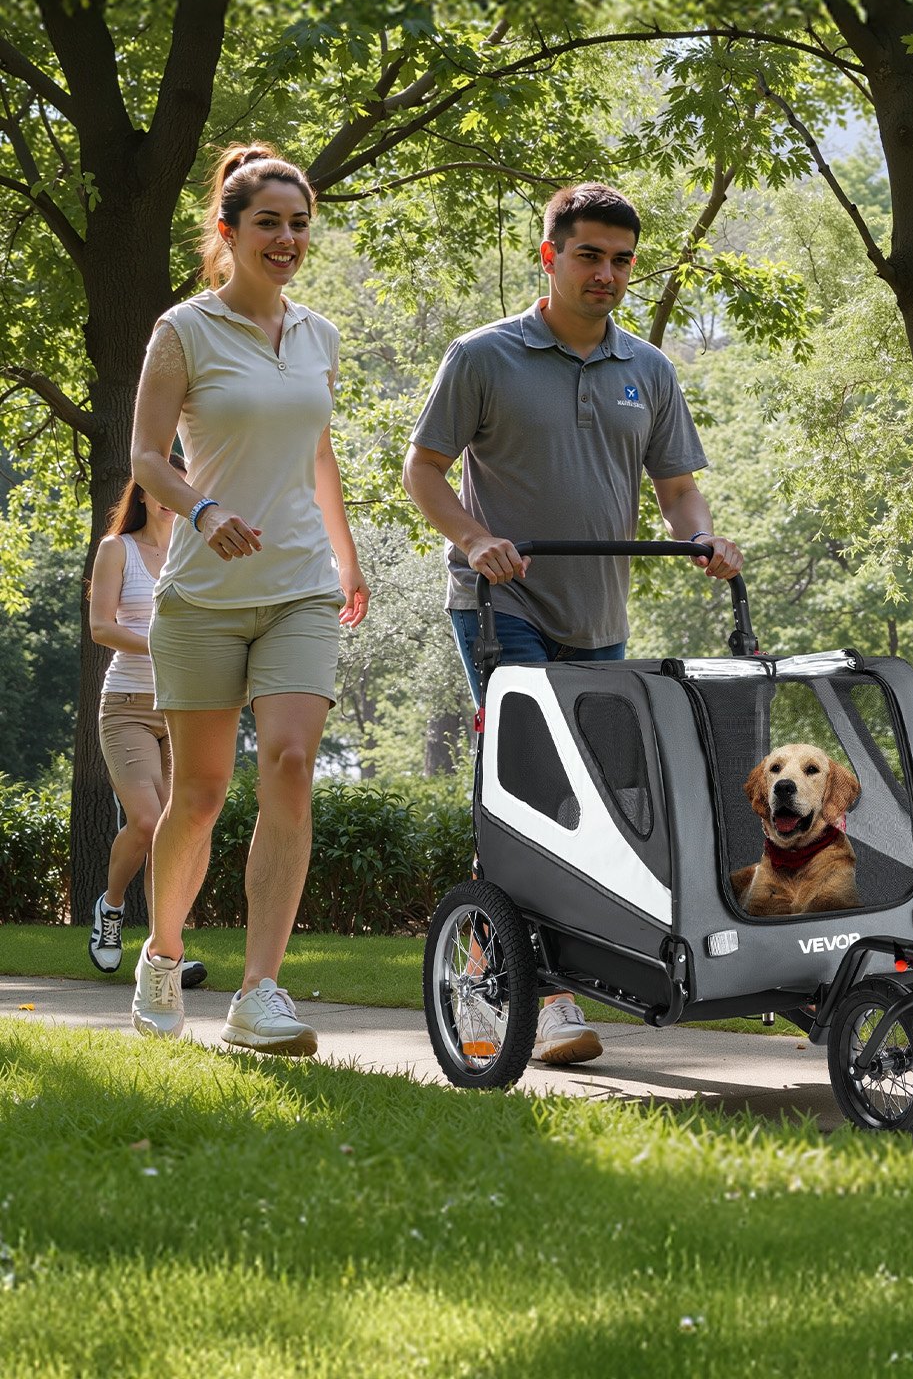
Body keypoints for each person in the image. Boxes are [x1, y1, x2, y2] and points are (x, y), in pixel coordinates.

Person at [403, 181, 743, 1066]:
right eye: (589, 255)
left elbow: (676, 489)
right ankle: (544, 998)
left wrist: (701, 537)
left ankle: (510, 965)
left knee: (597, 802)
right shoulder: (484, 356)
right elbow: (425, 472)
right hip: (499, 608)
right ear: (550, 256)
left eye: (623, 259)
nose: (607, 273)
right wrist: (475, 539)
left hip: (600, 616)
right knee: (535, 790)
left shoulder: (649, 370)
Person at [127, 142, 369, 1055]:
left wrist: (346, 560)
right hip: (203, 593)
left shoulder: (319, 335)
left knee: (294, 763)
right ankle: (163, 953)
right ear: (227, 233)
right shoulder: (182, 330)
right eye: (268, 222)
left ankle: (259, 992)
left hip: (300, 586)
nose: (287, 238)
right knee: (198, 794)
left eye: (299, 223)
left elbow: (317, 452)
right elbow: (147, 458)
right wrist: (204, 506)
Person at [85, 461, 205, 989]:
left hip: (184, 706)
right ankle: (110, 909)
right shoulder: (119, 550)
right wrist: (163, 644)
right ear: (143, 493)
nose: (166, 499)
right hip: (128, 705)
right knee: (146, 822)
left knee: (177, 830)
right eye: (157, 489)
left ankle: (165, 953)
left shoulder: (196, 552)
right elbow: (100, 627)